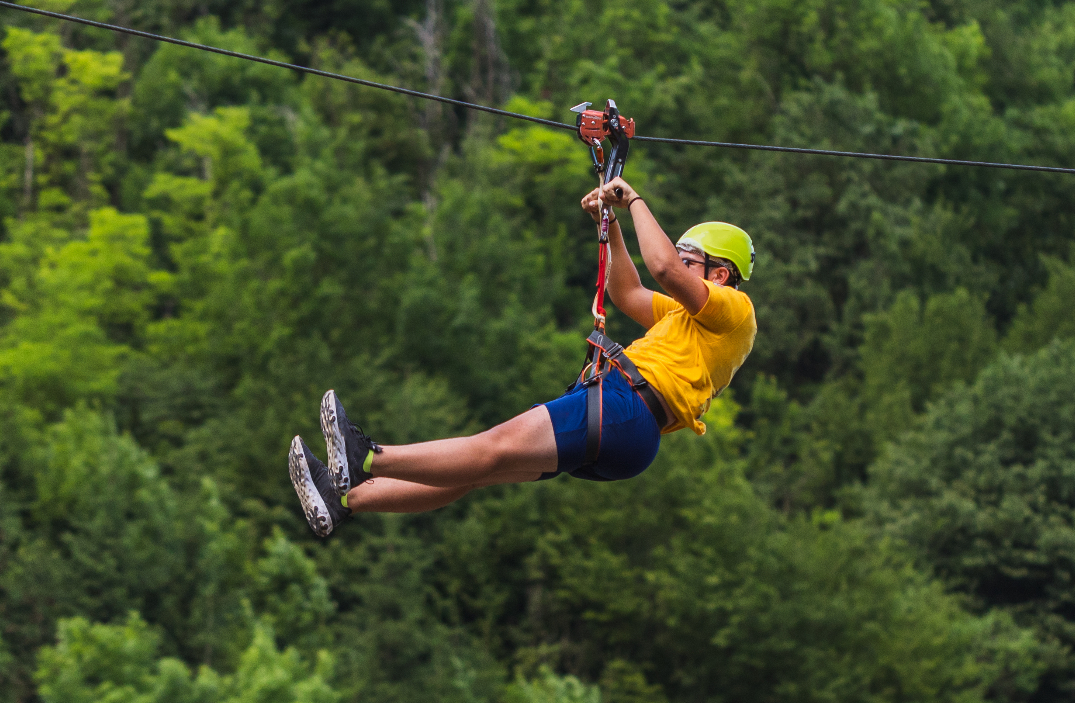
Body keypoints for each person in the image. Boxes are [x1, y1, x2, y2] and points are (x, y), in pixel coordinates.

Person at [288, 178, 757, 537]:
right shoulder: (685, 317)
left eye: (690, 259)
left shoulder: (735, 310)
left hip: (624, 406)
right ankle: (345, 500)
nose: (680, 265)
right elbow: (628, 291)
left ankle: (367, 458)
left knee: (489, 448)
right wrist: (610, 226)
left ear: (720, 272)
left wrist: (633, 201)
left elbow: (662, 269)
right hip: (628, 427)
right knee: (475, 472)